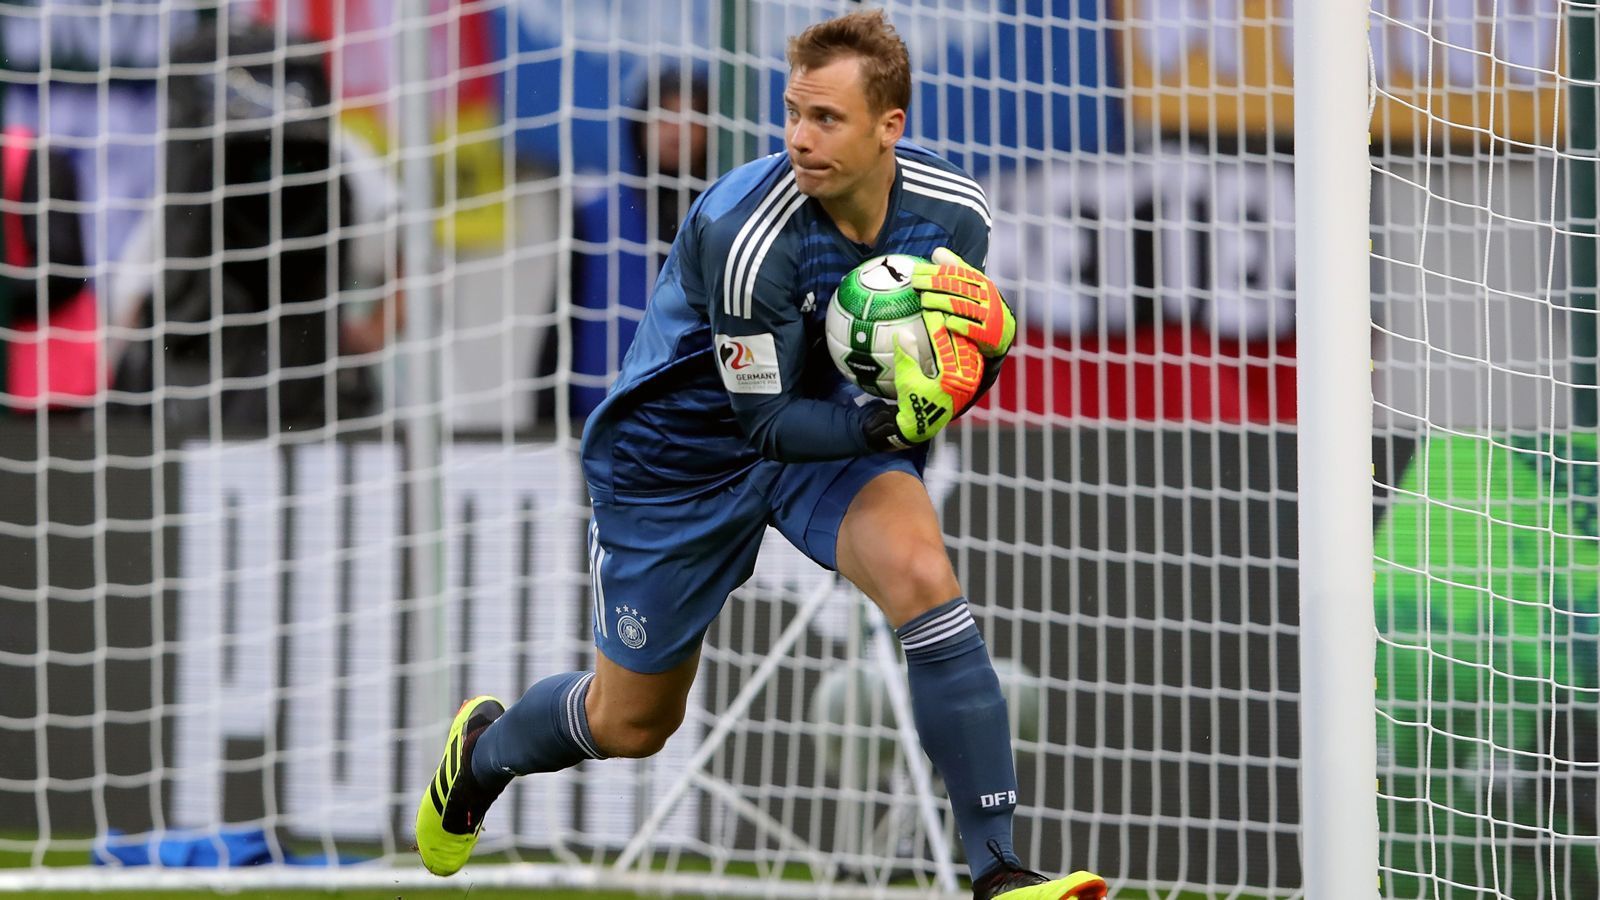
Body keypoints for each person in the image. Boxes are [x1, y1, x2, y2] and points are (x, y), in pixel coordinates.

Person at [414, 11, 1106, 900]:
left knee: (925, 578)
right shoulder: (748, 235)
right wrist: (886, 428)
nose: (800, 139)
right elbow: (765, 422)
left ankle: (1000, 872)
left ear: (889, 125)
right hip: (682, 457)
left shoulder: (954, 217)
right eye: (792, 114)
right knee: (631, 723)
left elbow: (944, 367)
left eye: (827, 119)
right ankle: (484, 756)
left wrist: (976, 366)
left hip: (827, 437)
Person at [564, 61, 710, 419]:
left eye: (690, 117)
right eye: (665, 115)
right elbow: (565, 314)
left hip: (702, 421)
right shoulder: (599, 215)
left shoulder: (733, 215)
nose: (676, 130)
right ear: (640, 125)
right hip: (603, 415)